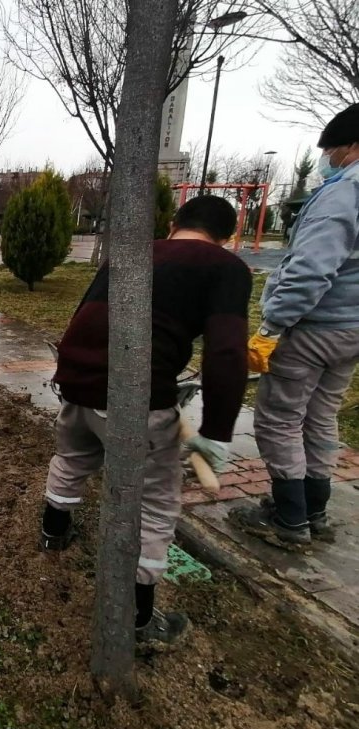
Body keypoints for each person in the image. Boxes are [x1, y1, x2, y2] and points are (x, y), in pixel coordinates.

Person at [41, 195, 252, 645]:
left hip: (76, 377)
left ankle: (52, 532)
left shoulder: (135, 253)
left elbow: (85, 313)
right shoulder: (225, 266)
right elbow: (227, 352)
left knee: (73, 456)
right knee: (156, 501)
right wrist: (217, 430)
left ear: (174, 223)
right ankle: (137, 621)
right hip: (135, 396)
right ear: (228, 236)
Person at [232, 104, 359, 548]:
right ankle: (313, 508)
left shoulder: (346, 193)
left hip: (315, 327)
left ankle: (289, 520)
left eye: (333, 150)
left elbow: (311, 269)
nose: (329, 159)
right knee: (321, 416)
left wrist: (272, 326)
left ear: (352, 146)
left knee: (280, 418)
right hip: (351, 331)